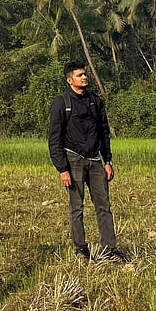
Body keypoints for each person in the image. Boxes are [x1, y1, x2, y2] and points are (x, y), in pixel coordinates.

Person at [47, 59, 125, 262]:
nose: (84, 77)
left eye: (85, 74)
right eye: (80, 75)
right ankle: (81, 249)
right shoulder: (62, 104)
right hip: (73, 160)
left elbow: (104, 132)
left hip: (96, 160)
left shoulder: (95, 101)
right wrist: (62, 169)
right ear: (69, 80)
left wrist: (108, 160)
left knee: (104, 206)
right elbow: (54, 139)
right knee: (76, 207)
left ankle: (110, 249)